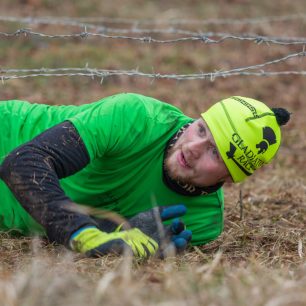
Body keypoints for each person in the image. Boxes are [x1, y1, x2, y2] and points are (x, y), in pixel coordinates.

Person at [0, 93, 290, 259]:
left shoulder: (201, 222)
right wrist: (79, 232)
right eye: (200, 129)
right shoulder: (137, 117)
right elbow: (22, 163)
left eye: (214, 152)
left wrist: (115, 232)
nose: (192, 147)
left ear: (232, 177)